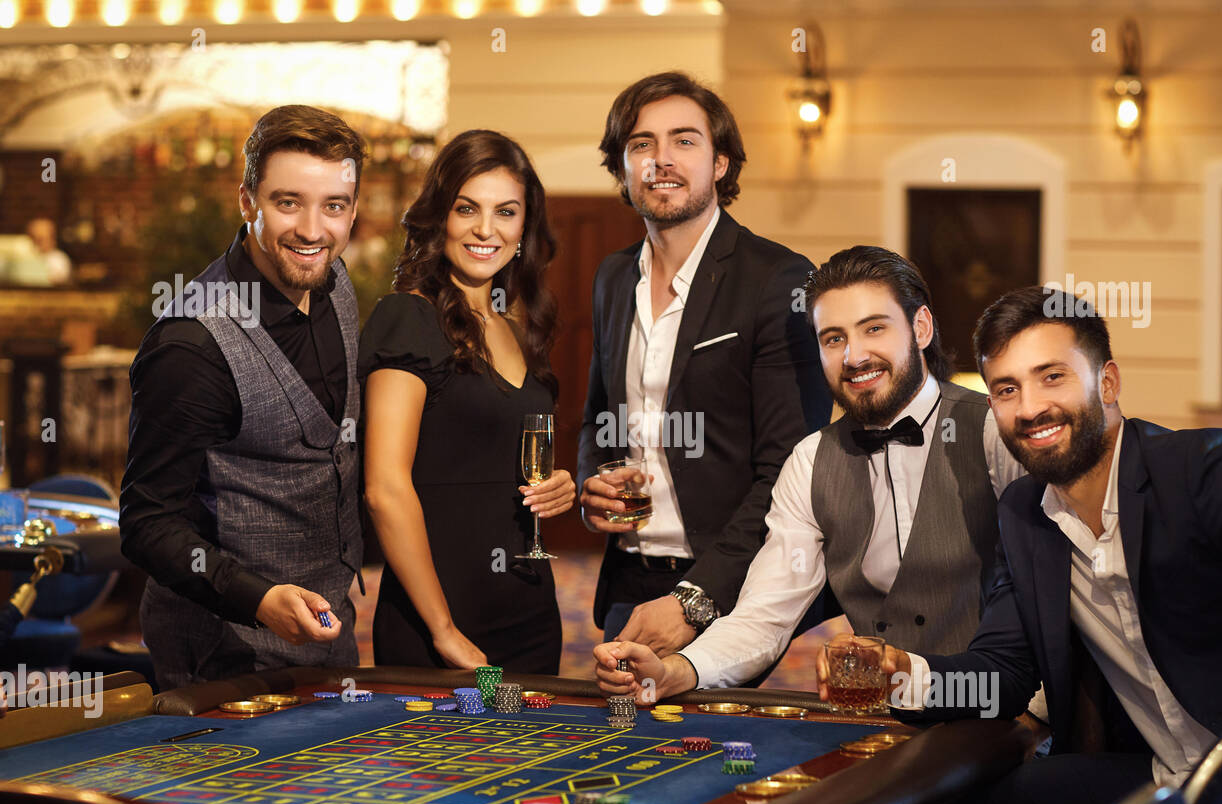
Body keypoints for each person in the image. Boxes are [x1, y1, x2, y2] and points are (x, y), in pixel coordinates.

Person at [848, 286, 1222, 804]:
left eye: (1052, 377)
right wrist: (903, 672)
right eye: (1006, 389)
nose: (1030, 407)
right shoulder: (1023, 513)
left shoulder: (1208, 470)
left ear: (1107, 384)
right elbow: (1003, 672)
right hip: (1163, 781)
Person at [594, 246, 1026, 699]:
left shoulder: (995, 430)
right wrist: (675, 672)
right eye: (833, 338)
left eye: (874, 328)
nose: (854, 357)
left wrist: (1036, 718)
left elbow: (1056, 600)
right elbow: (763, 618)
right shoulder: (810, 460)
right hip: (883, 718)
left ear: (920, 328)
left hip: (1001, 716)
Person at [578, 71, 830, 657]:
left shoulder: (779, 279)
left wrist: (696, 598)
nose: (661, 159)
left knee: (713, 749)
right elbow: (597, 414)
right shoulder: (614, 276)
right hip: (628, 579)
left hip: (730, 586)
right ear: (622, 167)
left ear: (720, 163)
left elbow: (792, 470)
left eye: (685, 141)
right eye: (642, 144)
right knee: (624, 742)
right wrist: (596, 482)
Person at [121, 106, 366, 690]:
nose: (312, 229)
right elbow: (147, 522)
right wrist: (258, 600)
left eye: (333, 206)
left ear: (353, 209)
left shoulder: (338, 286)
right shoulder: (192, 342)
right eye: (288, 202)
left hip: (332, 632)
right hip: (221, 652)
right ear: (247, 202)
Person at [359, 130, 574, 674]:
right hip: (440, 621)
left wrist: (559, 488)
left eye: (506, 212)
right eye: (467, 209)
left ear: (524, 227)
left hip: (530, 612)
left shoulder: (517, 326)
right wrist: (443, 629)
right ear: (440, 218)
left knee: (530, 762)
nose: (486, 229)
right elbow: (385, 490)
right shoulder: (407, 318)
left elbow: (498, 461)